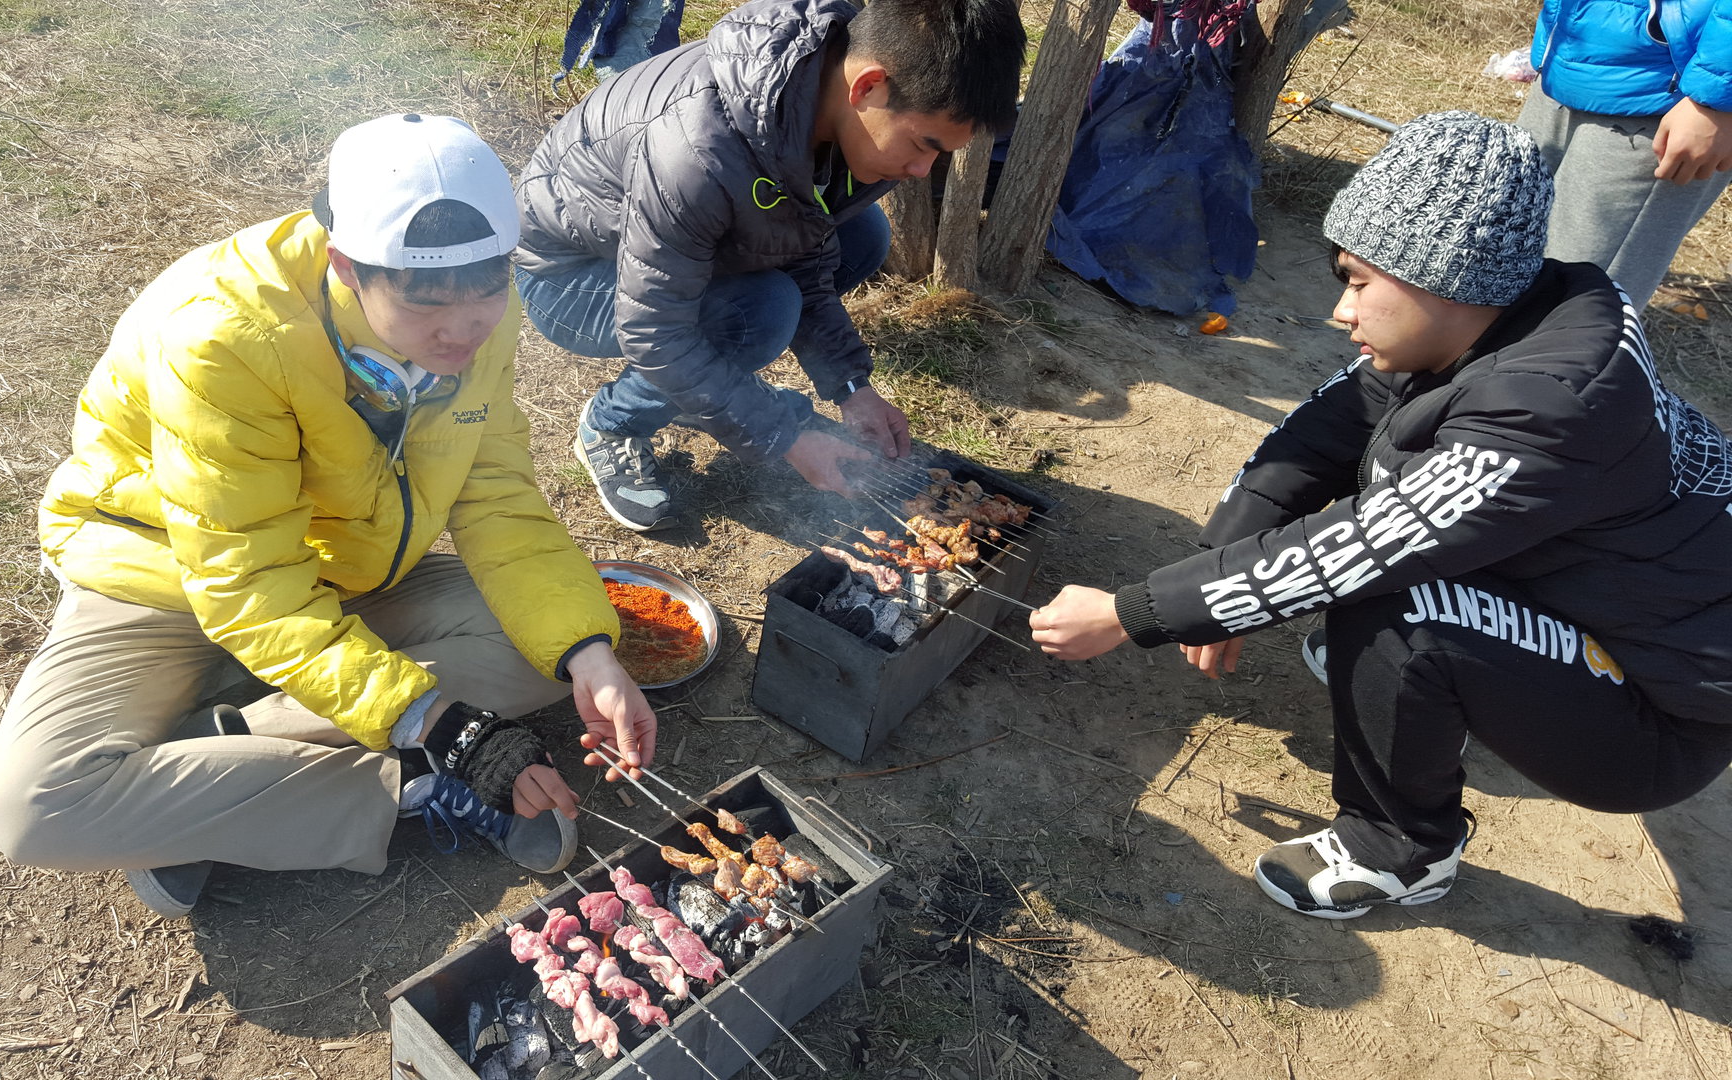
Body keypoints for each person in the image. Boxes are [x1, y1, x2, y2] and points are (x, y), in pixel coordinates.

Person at [1029, 112, 1732, 920]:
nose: (1341, 310)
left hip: (1658, 720)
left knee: (1391, 598)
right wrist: (1216, 583)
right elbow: (1304, 444)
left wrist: (1133, 610)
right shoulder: (1494, 325)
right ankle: (1440, 686)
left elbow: (1359, 548)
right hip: (1612, 613)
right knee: (1375, 569)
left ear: (1447, 277)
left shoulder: (1548, 408)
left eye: (1361, 281)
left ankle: (1402, 850)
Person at [0, 114, 657, 919]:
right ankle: (405, 786)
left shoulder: (479, 314)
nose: (465, 326)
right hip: (167, 576)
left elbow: (497, 492)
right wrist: (443, 729)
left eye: (487, 288)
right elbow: (250, 585)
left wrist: (588, 654)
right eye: (428, 301)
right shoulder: (227, 336)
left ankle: (218, 759)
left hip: (345, 570)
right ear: (346, 265)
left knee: (546, 650)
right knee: (35, 808)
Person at [513, 0, 1027, 532]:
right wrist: (786, 437)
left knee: (862, 236)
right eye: (925, 145)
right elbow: (654, 329)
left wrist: (852, 389)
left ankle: (703, 393)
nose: (923, 171)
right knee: (762, 311)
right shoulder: (697, 149)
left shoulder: (826, 100)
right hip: (569, 273)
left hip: (668, 251)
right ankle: (612, 423)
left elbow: (801, 249)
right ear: (868, 87)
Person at [1517, 0, 1732, 312]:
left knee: (1573, 304)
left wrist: (1718, 96)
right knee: (1501, 251)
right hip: (1570, 54)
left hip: (1670, 91)